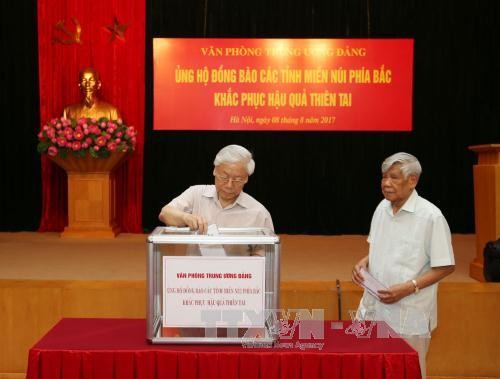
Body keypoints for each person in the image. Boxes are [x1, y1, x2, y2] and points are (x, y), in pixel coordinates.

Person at [351, 152, 455, 379]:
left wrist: (409, 287)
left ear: (412, 180)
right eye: (384, 177)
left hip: (410, 312)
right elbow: (377, 246)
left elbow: (446, 266)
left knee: (406, 372)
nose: (386, 184)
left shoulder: (431, 217)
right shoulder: (381, 208)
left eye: (394, 178)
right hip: (373, 307)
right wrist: (364, 262)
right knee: (372, 369)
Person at [159, 144, 274, 234]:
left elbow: (265, 255)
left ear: (246, 179)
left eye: (237, 179)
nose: (229, 185)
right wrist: (186, 217)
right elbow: (165, 214)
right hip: (197, 264)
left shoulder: (259, 213)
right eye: (224, 177)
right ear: (214, 171)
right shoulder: (196, 194)